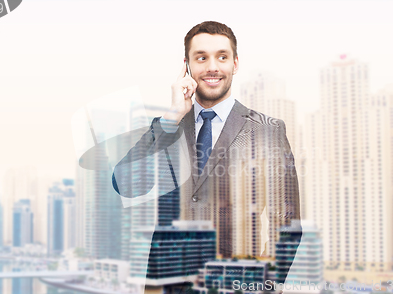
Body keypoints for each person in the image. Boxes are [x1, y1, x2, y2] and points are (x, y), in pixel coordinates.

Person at [112, 21, 300, 286]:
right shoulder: (169, 127)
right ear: (187, 65)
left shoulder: (268, 131)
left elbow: (287, 222)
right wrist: (172, 116)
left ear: (235, 63)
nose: (212, 67)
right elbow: (126, 184)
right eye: (201, 58)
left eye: (221, 57)